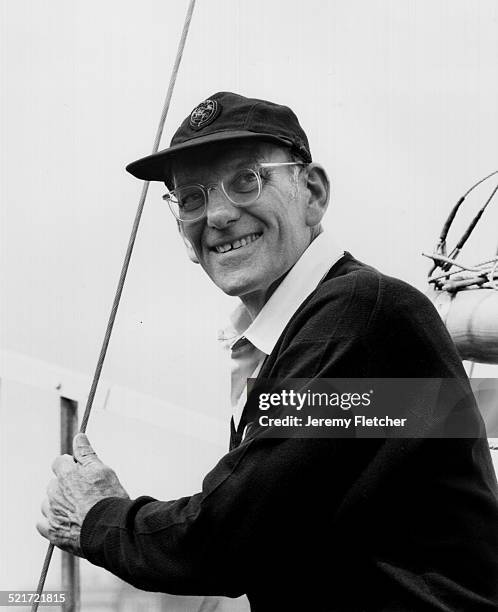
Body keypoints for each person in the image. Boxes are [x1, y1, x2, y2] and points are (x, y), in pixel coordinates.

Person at [38, 92, 498, 611]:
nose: (216, 215)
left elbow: (230, 537)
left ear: (314, 192)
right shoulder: (301, 333)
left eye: (245, 180)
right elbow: (276, 523)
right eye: (190, 197)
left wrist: (99, 517)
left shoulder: (359, 314)